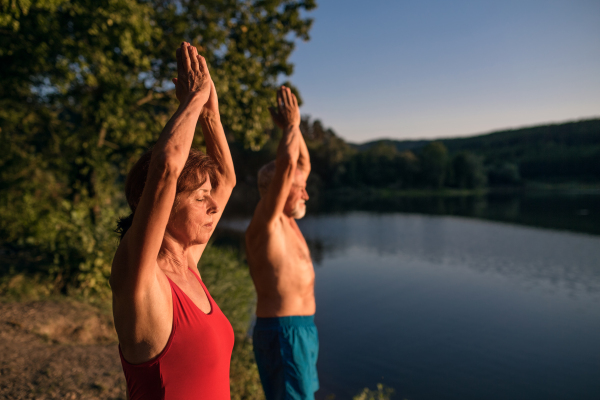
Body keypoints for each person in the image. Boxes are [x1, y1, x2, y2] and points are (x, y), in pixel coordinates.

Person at [110, 42, 236, 399]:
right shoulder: (141, 277)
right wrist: (193, 100)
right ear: (156, 203)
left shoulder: (187, 263)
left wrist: (211, 112)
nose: (214, 205)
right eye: (200, 198)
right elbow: (167, 168)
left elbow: (226, 181)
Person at [245, 86, 318, 400]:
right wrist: (291, 125)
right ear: (277, 188)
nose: (306, 194)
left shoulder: (288, 220)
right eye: (298, 188)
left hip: (303, 329)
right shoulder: (268, 222)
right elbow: (288, 165)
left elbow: (301, 164)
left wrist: (296, 128)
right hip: (282, 332)